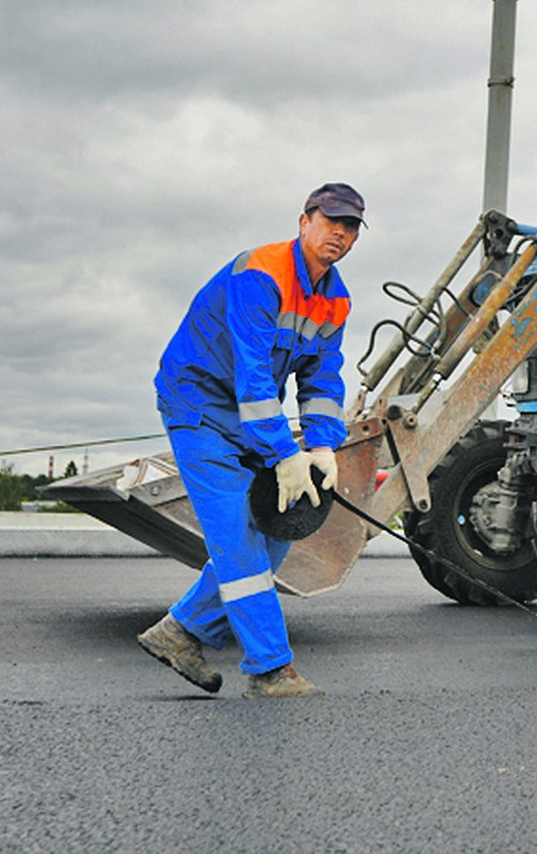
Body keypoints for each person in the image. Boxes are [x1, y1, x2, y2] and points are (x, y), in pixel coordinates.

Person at [137, 183, 365, 699]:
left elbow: (323, 378)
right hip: (196, 405)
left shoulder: (336, 299)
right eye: (331, 221)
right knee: (239, 534)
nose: (340, 233)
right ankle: (269, 670)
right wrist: (285, 452)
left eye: (350, 227)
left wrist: (324, 445)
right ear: (304, 221)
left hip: (247, 415)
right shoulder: (259, 273)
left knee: (280, 523)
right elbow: (254, 373)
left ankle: (180, 632)